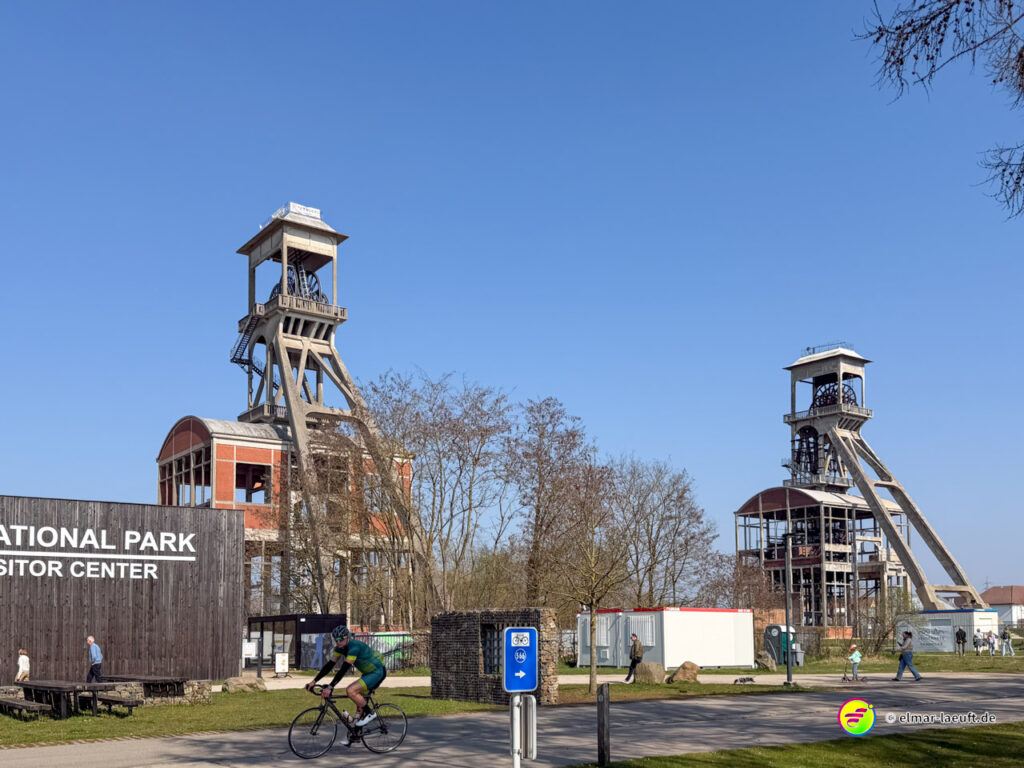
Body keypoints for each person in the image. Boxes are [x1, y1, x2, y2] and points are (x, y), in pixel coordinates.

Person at [306, 626, 386, 746]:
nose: (338, 642)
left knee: (351, 690)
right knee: (360, 705)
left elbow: (343, 669)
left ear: (347, 637)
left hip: (377, 672)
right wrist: (314, 681)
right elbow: (330, 665)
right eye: (335, 639)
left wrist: (331, 687)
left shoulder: (354, 647)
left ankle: (370, 713)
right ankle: (355, 736)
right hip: (367, 674)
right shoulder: (340, 648)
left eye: (340, 639)